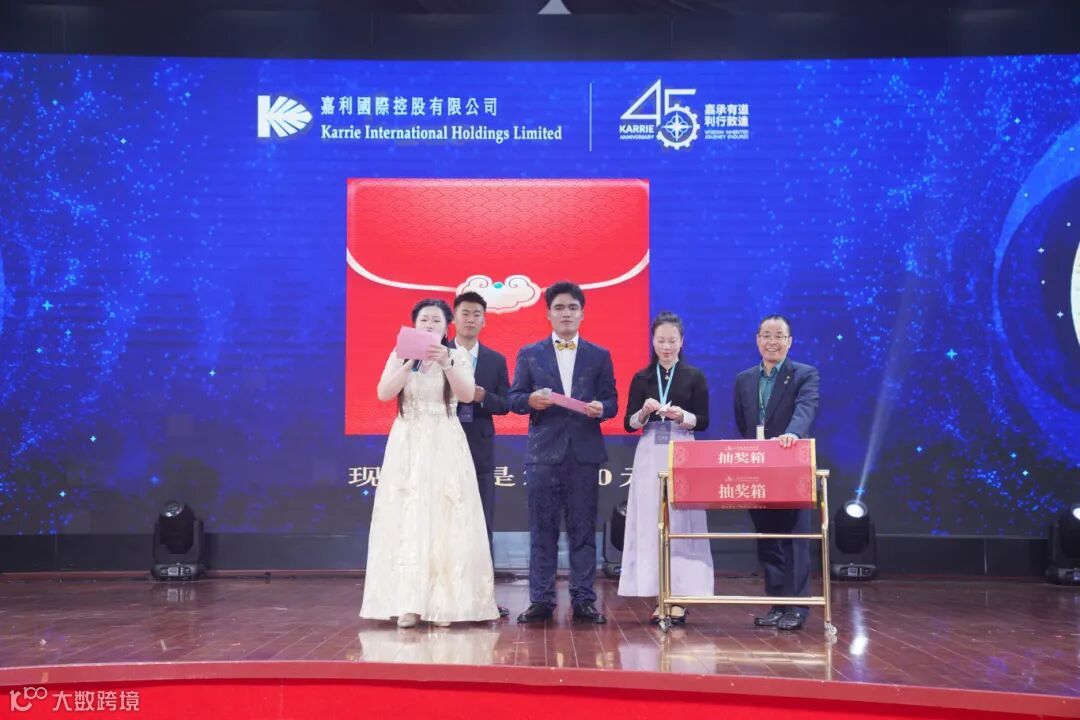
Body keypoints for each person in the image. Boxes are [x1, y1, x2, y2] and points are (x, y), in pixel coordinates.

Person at [360, 298, 499, 628]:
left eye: (436, 321)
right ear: (414, 324)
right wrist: (409, 362)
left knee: (444, 518)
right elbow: (384, 393)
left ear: (446, 326)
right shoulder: (399, 354)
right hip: (408, 442)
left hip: (444, 440)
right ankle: (408, 604)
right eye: (424, 320)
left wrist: (447, 363)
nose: (430, 325)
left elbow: (466, 395)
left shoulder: (456, 355)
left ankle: (444, 604)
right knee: (408, 518)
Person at [508, 281, 618, 625]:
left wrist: (602, 408)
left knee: (583, 530)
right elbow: (514, 398)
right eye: (559, 308)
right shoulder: (530, 353)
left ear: (582, 313)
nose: (566, 313)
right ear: (548, 314)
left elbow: (613, 401)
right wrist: (530, 400)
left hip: (584, 455)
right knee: (542, 531)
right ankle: (541, 600)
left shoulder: (599, 355)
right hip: (543, 455)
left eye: (572, 307)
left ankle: (584, 599)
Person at [618, 312, 714, 624]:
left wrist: (681, 416)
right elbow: (629, 424)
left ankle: (681, 597)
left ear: (682, 341)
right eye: (661, 340)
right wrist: (643, 413)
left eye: (672, 340)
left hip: (683, 450)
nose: (667, 346)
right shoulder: (642, 378)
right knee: (651, 522)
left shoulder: (694, 376)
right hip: (649, 452)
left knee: (683, 523)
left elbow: (704, 421)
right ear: (653, 341)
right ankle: (659, 595)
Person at [733, 314, 820, 632]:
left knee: (794, 538)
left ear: (789, 341)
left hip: (791, 466)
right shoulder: (744, 379)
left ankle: (797, 607)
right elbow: (742, 422)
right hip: (757, 468)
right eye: (766, 335)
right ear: (757, 340)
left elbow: (806, 409)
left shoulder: (804, 375)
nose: (772, 342)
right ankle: (777, 603)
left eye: (779, 336)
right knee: (768, 538)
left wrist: (792, 434)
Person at [449, 291, 511, 618]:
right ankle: (443, 597)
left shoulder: (495, 360)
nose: (470, 319)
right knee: (444, 523)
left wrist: (482, 396)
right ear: (454, 318)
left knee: (480, 523)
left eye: (476, 314)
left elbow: (506, 403)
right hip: (443, 445)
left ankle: (482, 598)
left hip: (479, 449)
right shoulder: (438, 355)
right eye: (465, 313)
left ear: (484, 320)